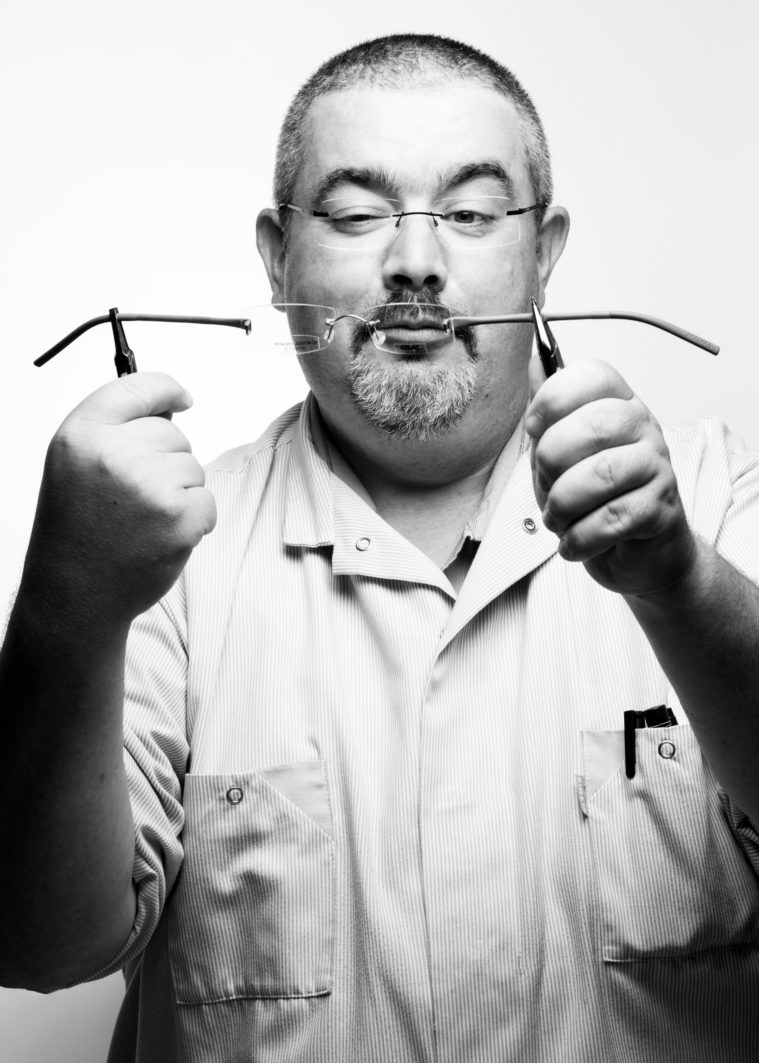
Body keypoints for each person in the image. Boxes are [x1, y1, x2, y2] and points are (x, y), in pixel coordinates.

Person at [2, 32, 759, 1063]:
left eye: (473, 212)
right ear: (277, 260)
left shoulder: (717, 506)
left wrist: (681, 586)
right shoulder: (166, 562)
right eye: (358, 215)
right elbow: (38, 943)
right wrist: (64, 616)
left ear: (544, 252)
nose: (414, 261)